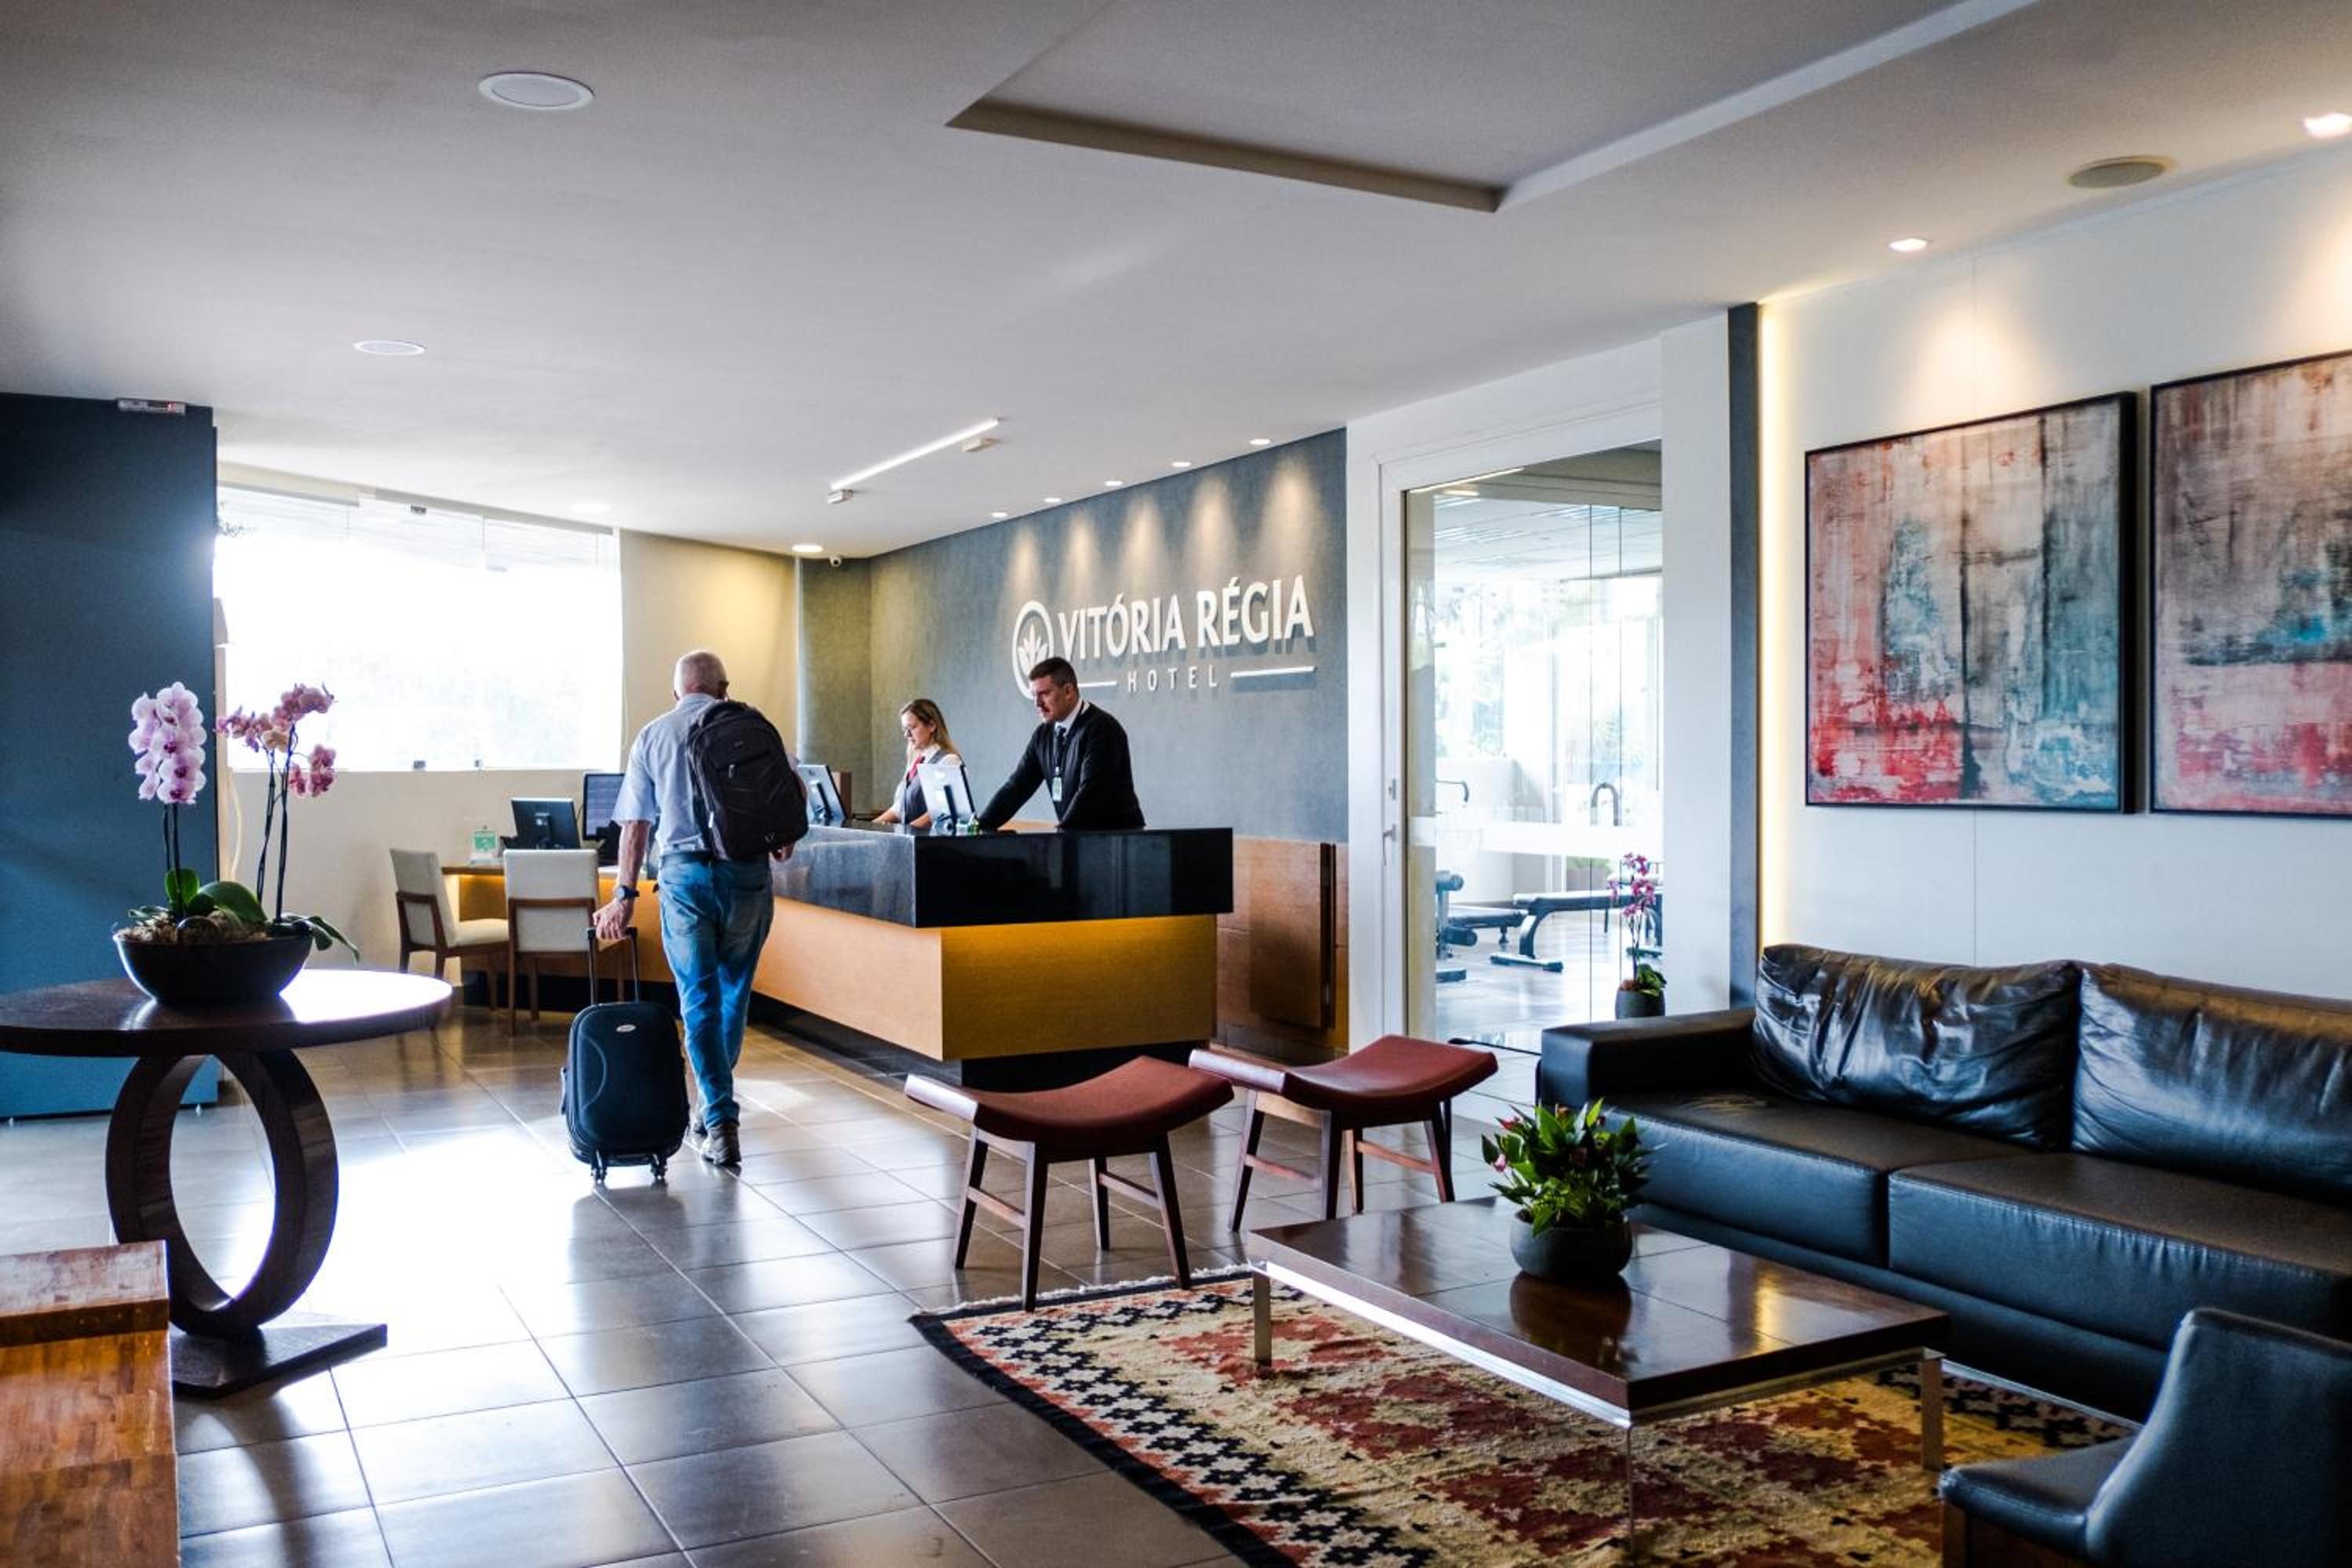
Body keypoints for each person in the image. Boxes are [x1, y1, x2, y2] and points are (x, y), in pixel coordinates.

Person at [593, 649, 789, 1167]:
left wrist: (623, 896)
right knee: (733, 994)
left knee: (699, 999)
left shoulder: (653, 736)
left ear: (676, 692)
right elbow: (789, 799)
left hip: (684, 879)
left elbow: (635, 827)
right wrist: (779, 839)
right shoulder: (753, 725)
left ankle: (720, 1121)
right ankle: (712, 1104)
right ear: (724, 688)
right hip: (747, 876)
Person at [975, 657, 1145, 832]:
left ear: (1068, 691)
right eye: (1034, 696)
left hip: (1116, 840)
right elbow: (1017, 787)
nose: (1037, 703)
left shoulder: (1102, 729)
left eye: (1044, 694)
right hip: (1077, 838)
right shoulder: (1042, 736)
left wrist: (1061, 837)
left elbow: (1091, 794)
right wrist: (981, 826)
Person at [873, 697, 960, 829]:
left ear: (932, 725)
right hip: (909, 837)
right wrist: (869, 827)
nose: (906, 735)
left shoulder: (948, 760)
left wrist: (906, 831)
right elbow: (899, 808)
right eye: (905, 729)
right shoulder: (915, 761)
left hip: (929, 840)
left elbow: (940, 811)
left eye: (912, 728)